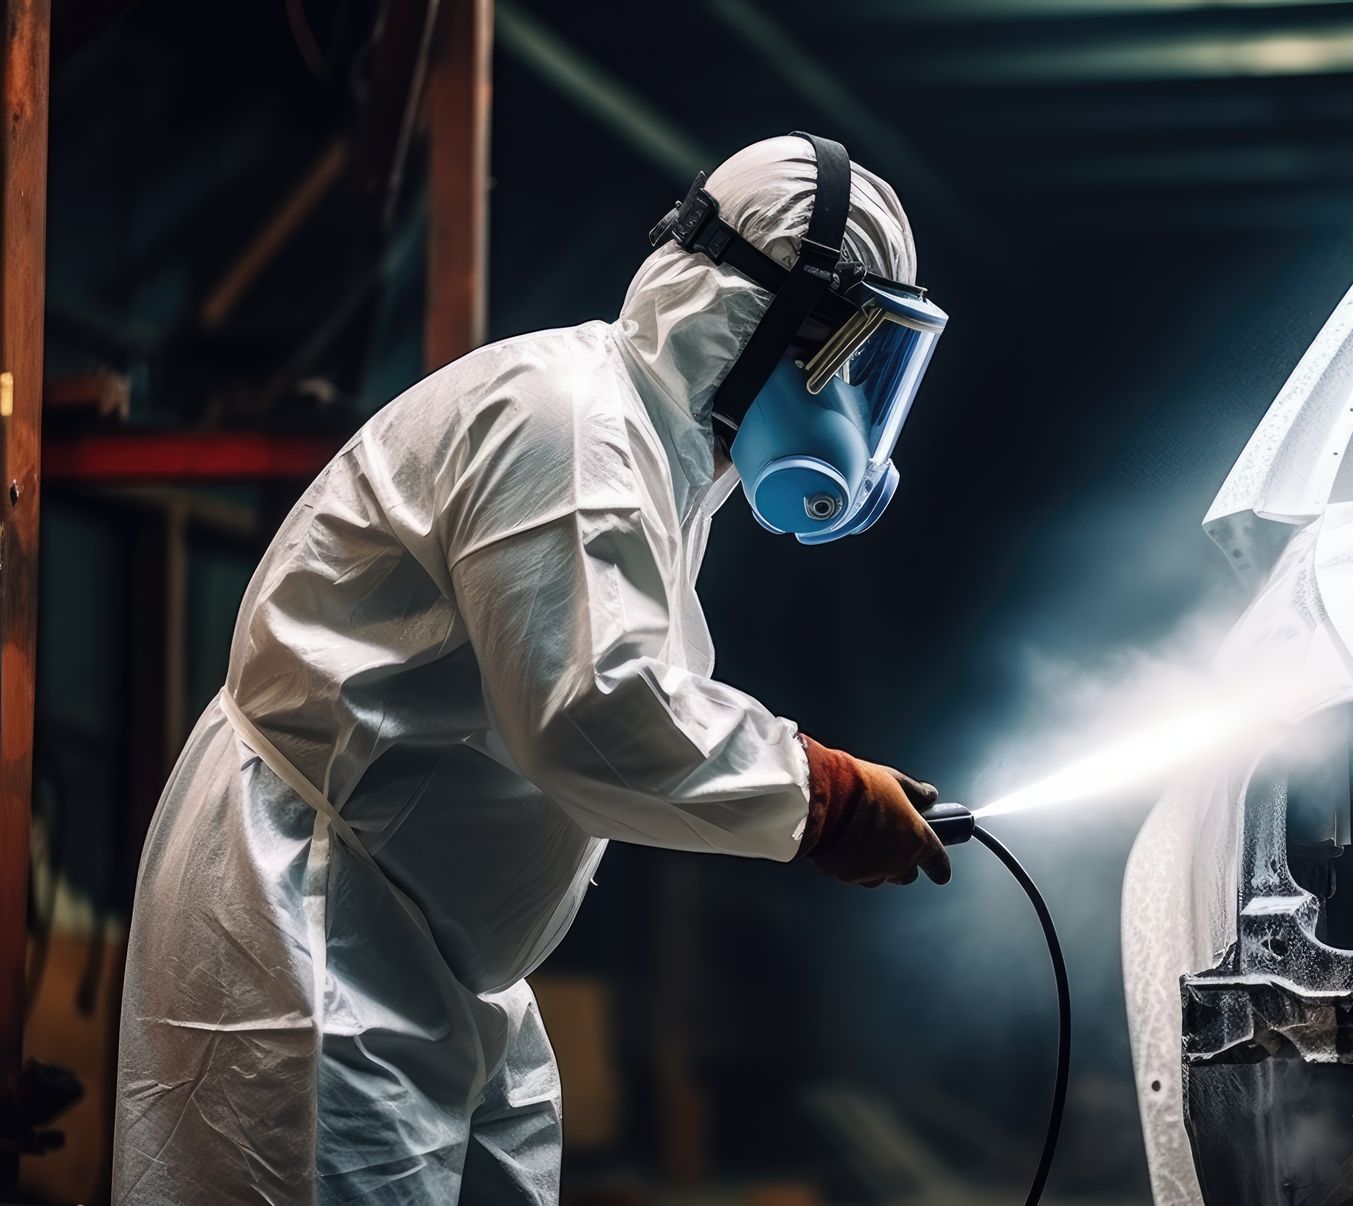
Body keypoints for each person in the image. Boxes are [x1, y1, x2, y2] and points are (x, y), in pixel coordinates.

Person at [112, 133, 951, 1204]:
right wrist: (820, 796)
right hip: (316, 925)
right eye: (855, 355)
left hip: (437, 950)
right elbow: (594, 714)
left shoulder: (654, 447)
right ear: (772, 324)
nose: (859, 408)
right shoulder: (572, 427)